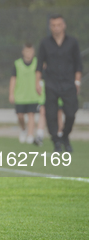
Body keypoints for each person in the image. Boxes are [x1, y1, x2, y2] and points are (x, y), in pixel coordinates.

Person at [35, 15, 82, 153]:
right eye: (53, 25)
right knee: (50, 114)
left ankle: (65, 136)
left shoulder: (72, 42)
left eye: (59, 25)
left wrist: (77, 81)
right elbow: (39, 65)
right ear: (50, 27)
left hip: (68, 83)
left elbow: (78, 64)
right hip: (51, 83)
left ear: (64, 25)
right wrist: (37, 82)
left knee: (71, 113)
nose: (56, 28)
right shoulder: (45, 43)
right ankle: (56, 141)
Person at [9, 43, 41, 144]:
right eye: (27, 51)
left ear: (34, 52)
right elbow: (13, 79)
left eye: (31, 51)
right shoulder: (17, 63)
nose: (29, 53)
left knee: (31, 115)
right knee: (20, 116)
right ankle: (23, 129)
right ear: (23, 52)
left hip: (33, 95)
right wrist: (11, 93)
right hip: (20, 95)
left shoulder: (37, 63)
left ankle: (30, 136)